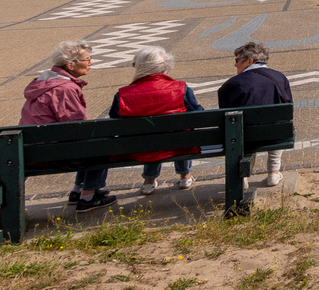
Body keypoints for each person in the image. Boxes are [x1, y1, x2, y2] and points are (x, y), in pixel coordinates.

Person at [20, 40, 115, 211]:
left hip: (33, 148)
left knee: (91, 142)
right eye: (87, 60)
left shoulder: (43, 82)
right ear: (70, 65)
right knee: (103, 143)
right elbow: (75, 128)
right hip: (51, 153)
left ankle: (78, 190)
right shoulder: (64, 89)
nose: (91, 63)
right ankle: (88, 197)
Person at [109, 46, 201, 194]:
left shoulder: (122, 95)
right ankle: (185, 176)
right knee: (181, 132)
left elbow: (112, 122)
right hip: (179, 144)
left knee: (150, 138)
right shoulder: (180, 88)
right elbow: (198, 115)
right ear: (165, 66)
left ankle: (149, 181)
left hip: (138, 148)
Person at [216, 40, 293, 190]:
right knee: (277, 124)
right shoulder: (280, 77)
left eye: (237, 60)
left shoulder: (232, 84)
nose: (235, 64)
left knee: (239, 131)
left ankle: (243, 176)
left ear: (249, 61)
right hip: (277, 133)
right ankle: (273, 172)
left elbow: (224, 114)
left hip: (245, 136)